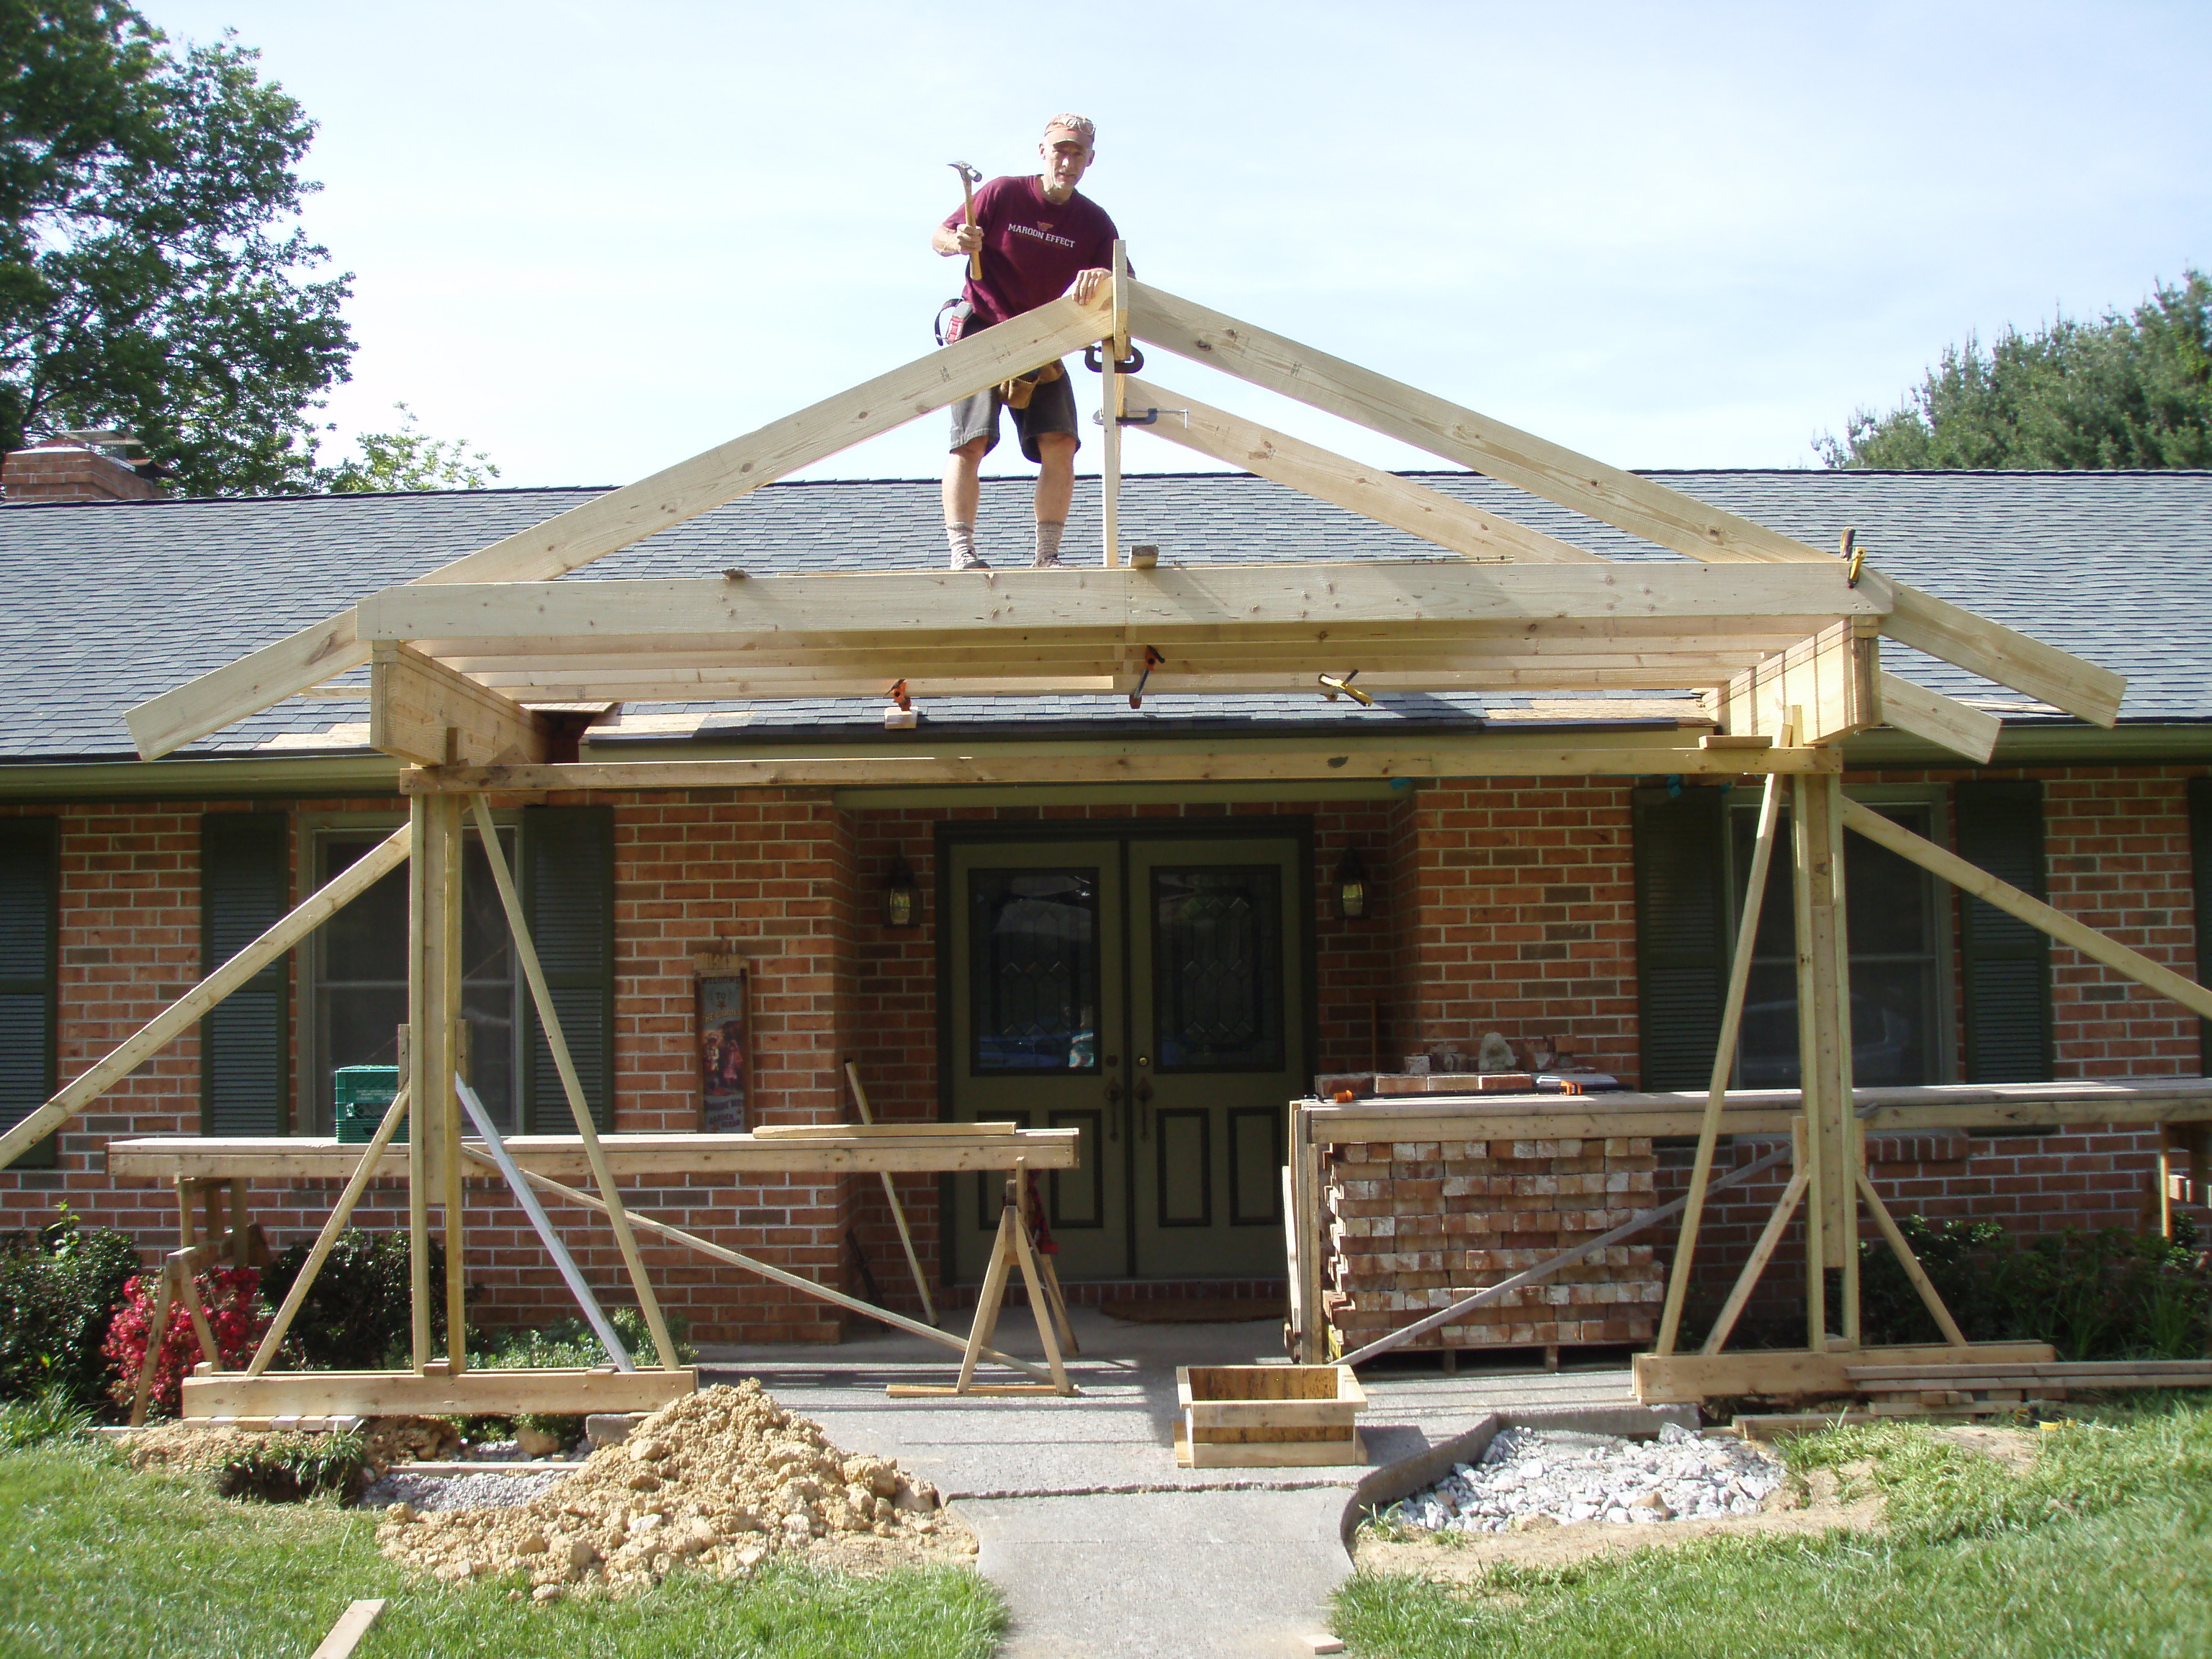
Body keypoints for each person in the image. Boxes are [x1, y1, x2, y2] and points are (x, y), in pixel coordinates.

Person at [932, 114, 1120, 572]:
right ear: (1043, 150)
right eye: (1060, 149)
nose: (1067, 159)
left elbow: (1126, 284)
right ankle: (962, 552)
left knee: (1060, 442)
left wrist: (1106, 276)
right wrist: (959, 241)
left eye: (1077, 152)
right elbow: (939, 236)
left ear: (1090, 159)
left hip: (1041, 338)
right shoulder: (1003, 193)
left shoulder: (1093, 222)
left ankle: (1047, 557)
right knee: (971, 441)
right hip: (984, 326)